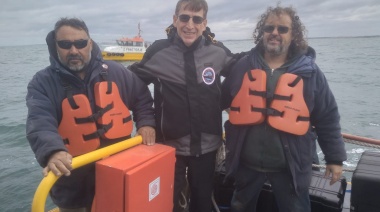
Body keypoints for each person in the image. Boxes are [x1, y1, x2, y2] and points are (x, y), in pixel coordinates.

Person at [221, 5, 347, 212]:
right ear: (261, 32)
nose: (275, 33)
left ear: (294, 34)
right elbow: (220, 99)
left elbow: (327, 116)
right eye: (269, 28)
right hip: (246, 163)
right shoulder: (243, 66)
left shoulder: (310, 72)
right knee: (239, 207)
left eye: (283, 29)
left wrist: (334, 158)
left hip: (291, 166)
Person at [26, 17, 156, 211]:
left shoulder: (116, 72)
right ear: (55, 46)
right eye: (65, 44)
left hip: (120, 173)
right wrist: (53, 151)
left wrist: (146, 123)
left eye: (80, 43)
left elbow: (142, 98)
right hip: (73, 185)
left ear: (90, 43)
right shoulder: (42, 83)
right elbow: (39, 122)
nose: (73, 50)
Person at [129, 0, 241, 211]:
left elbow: (244, 72)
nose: (190, 24)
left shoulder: (217, 52)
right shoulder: (158, 51)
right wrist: (144, 121)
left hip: (208, 146)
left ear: (204, 23)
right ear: (175, 19)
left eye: (197, 19)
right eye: (184, 17)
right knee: (169, 203)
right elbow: (131, 86)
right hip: (169, 147)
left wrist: (292, 55)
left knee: (203, 202)